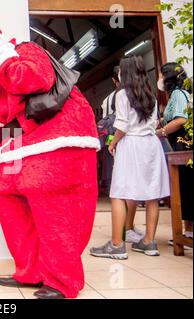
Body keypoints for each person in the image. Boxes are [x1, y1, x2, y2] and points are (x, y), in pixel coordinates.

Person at [0, 25, 100, 299]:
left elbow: (37, 78)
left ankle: (62, 281)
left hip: (59, 139)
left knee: (54, 205)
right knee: (5, 191)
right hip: (21, 148)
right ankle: (31, 270)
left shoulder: (25, 52)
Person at [90, 56, 170, 259]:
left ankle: (117, 245)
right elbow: (153, 124)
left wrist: (113, 142)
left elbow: (123, 125)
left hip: (131, 145)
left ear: (124, 73)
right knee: (153, 194)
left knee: (119, 192)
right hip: (151, 145)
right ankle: (149, 242)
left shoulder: (122, 94)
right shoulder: (150, 94)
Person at [156, 63, 193, 244]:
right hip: (178, 145)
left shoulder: (178, 94)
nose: (160, 79)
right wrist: (160, 121)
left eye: (162, 76)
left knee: (185, 185)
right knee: (185, 186)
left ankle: (188, 231)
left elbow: (180, 119)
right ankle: (188, 230)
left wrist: (161, 132)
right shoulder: (176, 95)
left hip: (182, 145)